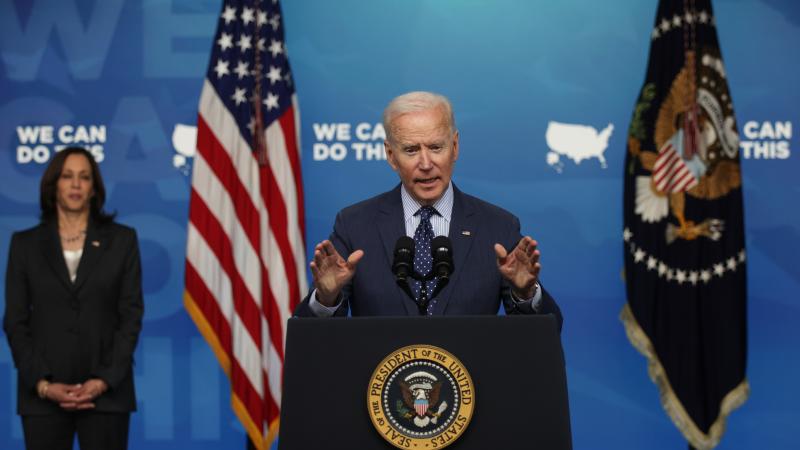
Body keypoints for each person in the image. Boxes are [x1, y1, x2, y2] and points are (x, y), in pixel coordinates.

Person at [294, 91, 561, 328]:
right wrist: (326, 297)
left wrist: (526, 294)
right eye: (411, 150)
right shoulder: (354, 225)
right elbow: (312, 340)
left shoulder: (497, 226)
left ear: (454, 147)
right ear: (391, 155)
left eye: (435, 147)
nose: (425, 163)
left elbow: (546, 333)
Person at [3, 147, 144, 450]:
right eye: (67, 176)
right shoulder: (24, 244)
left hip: (107, 395)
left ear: (94, 188)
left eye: (84, 177)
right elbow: (15, 320)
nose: (76, 184)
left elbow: (131, 316)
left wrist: (103, 381)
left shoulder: (123, 240)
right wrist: (43, 385)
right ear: (53, 185)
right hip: (43, 397)